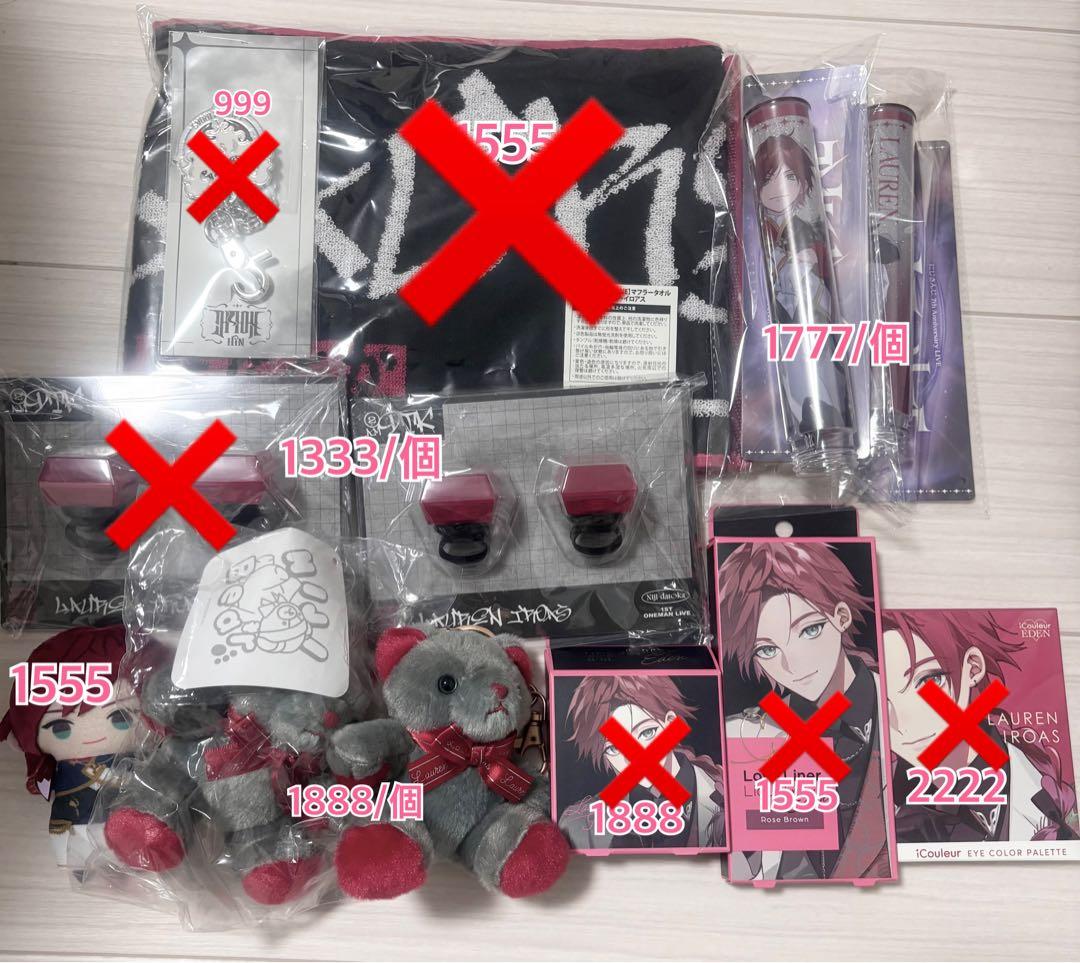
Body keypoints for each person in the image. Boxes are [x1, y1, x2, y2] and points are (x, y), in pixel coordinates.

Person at [717, 540, 891, 881]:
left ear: (840, 617)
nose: (793, 665)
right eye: (767, 650)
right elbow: (751, 866)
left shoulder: (901, 708)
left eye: (810, 630)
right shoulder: (749, 735)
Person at [882, 609, 1078, 844]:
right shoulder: (879, 797)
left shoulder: (1037, 782)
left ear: (973, 668)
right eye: (882, 697)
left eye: (929, 680)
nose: (903, 722)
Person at [1, 625, 138, 869]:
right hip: (74, 821)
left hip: (130, 822)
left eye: (120, 718)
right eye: (60, 728)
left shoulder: (141, 758)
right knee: (77, 849)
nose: (93, 736)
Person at [558, 675, 724, 851]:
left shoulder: (724, 797)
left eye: (647, 733)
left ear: (670, 724)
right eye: (614, 748)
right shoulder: (581, 826)